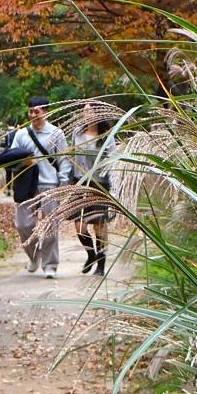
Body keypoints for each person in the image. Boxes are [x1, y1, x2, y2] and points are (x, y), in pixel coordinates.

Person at [10, 95, 71, 279]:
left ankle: (50, 264)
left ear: (46, 112)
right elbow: (11, 157)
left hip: (49, 184)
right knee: (23, 224)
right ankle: (34, 255)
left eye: (37, 111)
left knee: (50, 226)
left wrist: (63, 183)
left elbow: (64, 160)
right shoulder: (21, 134)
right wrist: (19, 164)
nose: (33, 115)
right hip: (26, 185)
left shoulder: (56, 134)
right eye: (30, 111)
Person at [68, 104, 115, 276]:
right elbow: (73, 155)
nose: (86, 114)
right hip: (80, 182)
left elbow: (112, 161)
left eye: (90, 111)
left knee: (99, 227)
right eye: (85, 111)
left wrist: (113, 189)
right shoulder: (77, 133)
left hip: (99, 184)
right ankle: (91, 254)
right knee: (80, 226)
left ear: (99, 114)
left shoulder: (107, 136)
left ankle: (101, 265)